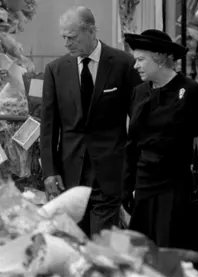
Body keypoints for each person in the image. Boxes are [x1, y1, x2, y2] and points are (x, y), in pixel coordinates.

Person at [40, 6, 141, 236]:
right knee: (75, 242)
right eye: (63, 37)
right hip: (69, 173)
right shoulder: (55, 70)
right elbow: (48, 126)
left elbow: (138, 121)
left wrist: (133, 169)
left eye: (72, 37)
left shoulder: (123, 64)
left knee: (101, 242)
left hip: (109, 172)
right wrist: (49, 170)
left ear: (91, 31)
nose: (66, 43)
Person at [122, 29, 198, 261]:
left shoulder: (191, 91)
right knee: (142, 255)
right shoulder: (139, 92)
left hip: (178, 187)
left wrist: (176, 141)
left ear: (160, 57)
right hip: (145, 184)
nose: (135, 65)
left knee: (173, 253)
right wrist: (126, 186)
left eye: (140, 59)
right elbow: (131, 144)